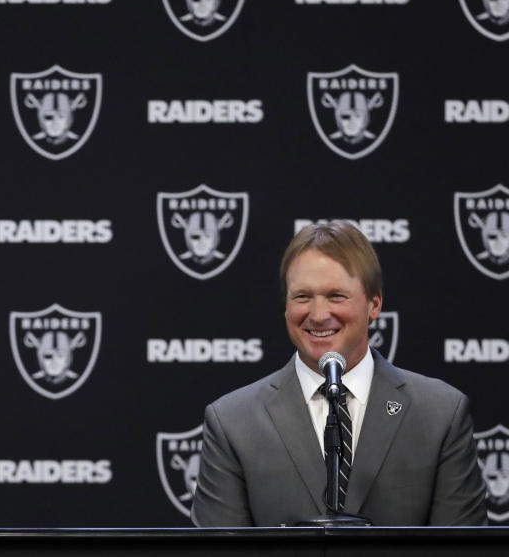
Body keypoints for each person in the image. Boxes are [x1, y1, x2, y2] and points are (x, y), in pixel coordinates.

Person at [191, 221, 486, 527]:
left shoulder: (439, 414)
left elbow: (460, 547)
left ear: (374, 304)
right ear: (286, 307)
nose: (318, 315)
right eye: (302, 297)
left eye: (336, 296)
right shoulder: (232, 422)